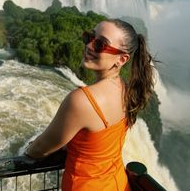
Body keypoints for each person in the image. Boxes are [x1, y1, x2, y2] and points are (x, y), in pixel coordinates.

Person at [24, 19, 154, 191]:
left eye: (100, 44)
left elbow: (40, 149)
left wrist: (28, 149)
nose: (90, 46)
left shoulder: (81, 100)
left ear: (122, 59)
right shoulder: (127, 91)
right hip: (119, 184)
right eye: (89, 37)